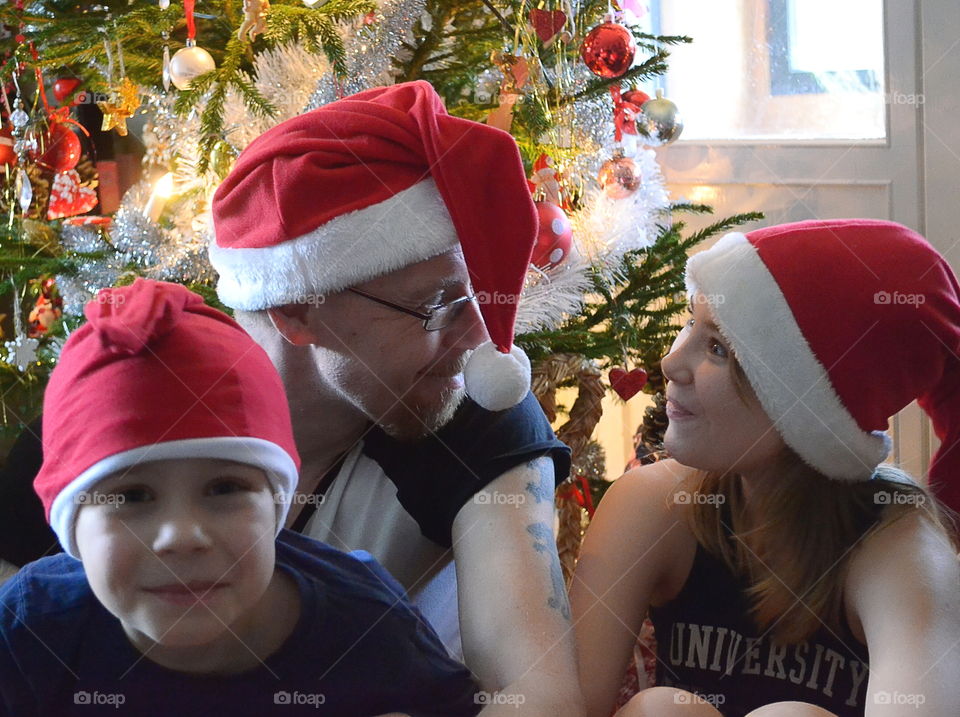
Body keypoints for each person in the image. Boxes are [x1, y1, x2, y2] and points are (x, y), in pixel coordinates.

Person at [208, 80, 585, 714]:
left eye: (475, 294)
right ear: (298, 310)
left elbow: (537, 695)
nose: (479, 339)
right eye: (438, 305)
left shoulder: (476, 412)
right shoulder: (144, 401)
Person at [0, 279, 482, 716]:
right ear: (71, 528)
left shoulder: (368, 629)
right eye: (131, 496)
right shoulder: (31, 628)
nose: (182, 536)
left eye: (224, 488)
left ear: (277, 505)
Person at [570, 219, 960, 717]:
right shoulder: (653, 503)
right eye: (691, 323)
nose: (671, 363)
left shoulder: (898, 544)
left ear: (808, 406)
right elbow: (566, 704)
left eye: (719, 349)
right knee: (660, 710)